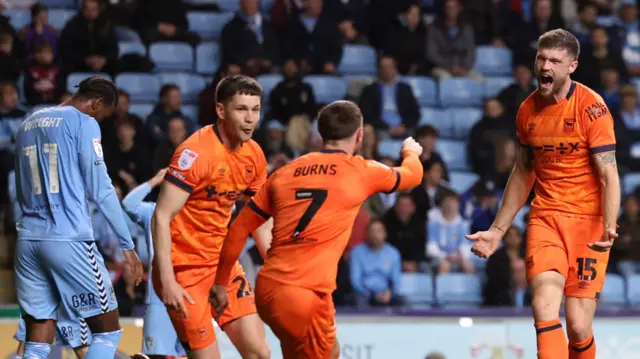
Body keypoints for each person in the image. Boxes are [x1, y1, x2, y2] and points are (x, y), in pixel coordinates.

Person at [211, 100, 424, 358]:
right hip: (305, 294)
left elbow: (237, 229)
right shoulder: (360, 170)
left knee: (329, 350)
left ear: (321, 135)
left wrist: (221, 283)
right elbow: (413, 175)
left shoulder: (284, 173)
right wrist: (410, 151)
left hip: (270, 288)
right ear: (359, 135)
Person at [466, 29, 620, 359]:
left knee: (579, 326)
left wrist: (609, 224)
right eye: (540, 58)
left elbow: (609, 172)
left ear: (572, 66)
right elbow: (523, 171)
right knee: (543, 305)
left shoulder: (592, 108)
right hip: (546, 217)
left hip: (587, 223)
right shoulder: (527, 111)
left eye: (554, 60)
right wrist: (497, 230)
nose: (544, 65)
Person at [13, 76, 144, 359]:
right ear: (97, 103)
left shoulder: (26, 123)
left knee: (38, 336)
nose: (102, 120)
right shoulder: (83, 122)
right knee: (107, 331)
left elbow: (19, 187)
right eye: (104, 114)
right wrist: (128, 245)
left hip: (28, 240)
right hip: (68, 239)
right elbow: (101, 189)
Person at [151, 75, 272, 359]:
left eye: (255, 110)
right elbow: (161, 217)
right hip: (183, 271)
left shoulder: (254, 154)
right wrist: (168, 281)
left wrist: (279, 267)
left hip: (221, 266)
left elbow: (259, 219)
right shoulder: (195, 154)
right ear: (220, 110)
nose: (250, 119)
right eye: (241, 109)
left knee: (260, 353)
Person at [121, 168, 186, 359]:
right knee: (156, 355)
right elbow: (128, 204)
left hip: (190, 295)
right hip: (159, 298)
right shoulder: (152, 212)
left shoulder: (194, 211)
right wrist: (155, 180)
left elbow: (229, 208)